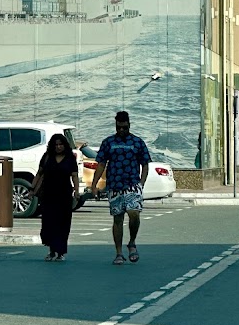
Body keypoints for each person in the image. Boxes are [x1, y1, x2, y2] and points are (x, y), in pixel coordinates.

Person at [90, 110, 151, 265]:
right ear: (115, 126)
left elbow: (145, 164)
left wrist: (141, 183)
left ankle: (132, 242)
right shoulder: (108, 142)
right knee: (118, 219)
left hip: (132, 185)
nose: (121, 130)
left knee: (134, 214)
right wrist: (94, 185)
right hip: (114, 186)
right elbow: (101, 164)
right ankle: (119, 253)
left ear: (129, 125)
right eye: (119, 127)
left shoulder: (137, 142)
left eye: (124, 127)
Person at [31, 133, 80, 261]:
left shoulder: (70, 158)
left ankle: (61, 252)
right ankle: (52, 250)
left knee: (63, 223)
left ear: (65, 145)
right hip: (48, 194)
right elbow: (39, 174)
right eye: (56, 145)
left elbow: (74, 176)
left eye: (61, 144)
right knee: (49, 223)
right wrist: (32, 189)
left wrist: (76, 191)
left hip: (64, 195)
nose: (58, 147)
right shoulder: (47, 157)